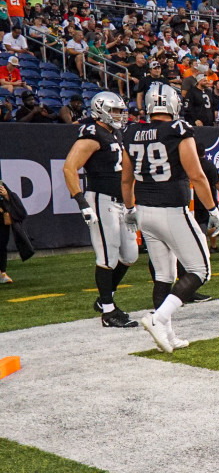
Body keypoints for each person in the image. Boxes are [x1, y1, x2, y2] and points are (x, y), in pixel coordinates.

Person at [122, 83, 219, 353]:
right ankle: (159, 319)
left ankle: (166, 334)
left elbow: (126, 178)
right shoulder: (178, 130)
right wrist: (212, 209)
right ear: (173, 104)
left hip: (144, 211)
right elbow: (197, 175)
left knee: (164, 275)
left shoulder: (132, 131)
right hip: (172, 211)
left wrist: (130, 209)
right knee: (201, 271)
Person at [62, 92, 140, 328]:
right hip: (101, 199)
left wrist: (131, 205)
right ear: (101, 110)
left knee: (130, 256)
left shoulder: (114, 132)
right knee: (107, 256)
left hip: (120, 201)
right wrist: (81, 202)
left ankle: (106, 297)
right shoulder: (92, 133)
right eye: (115, 110)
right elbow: (69, 168)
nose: (119, 115)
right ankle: (108, 312)